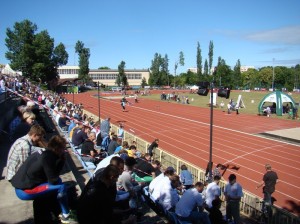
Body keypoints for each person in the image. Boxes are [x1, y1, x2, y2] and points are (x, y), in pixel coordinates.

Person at [10, 135, 71, 224]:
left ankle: (54, 211)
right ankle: (66, 215)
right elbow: (53, 180)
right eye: (63, 149)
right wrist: (62, 161)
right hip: (25, 190)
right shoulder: (47, 157)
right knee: (61, 187)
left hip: (23, 184)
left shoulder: (43, 152)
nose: (64, 151)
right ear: (58, 148)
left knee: (58, 183)